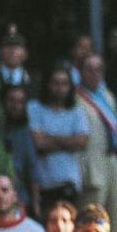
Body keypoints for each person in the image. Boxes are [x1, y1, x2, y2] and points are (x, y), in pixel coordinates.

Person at [74, 53, 117, 232]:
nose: (95, 74)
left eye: (99, 69)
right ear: (80, 72)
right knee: (91, 219)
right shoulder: (76, 99)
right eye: (90, 69)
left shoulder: (107, 96)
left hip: (111, 160)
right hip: (91, 166)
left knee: (116, 216)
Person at [28, 65, 89, 210]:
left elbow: (82, 142)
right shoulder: (34, 108)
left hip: (69, 182)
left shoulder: (77, 111)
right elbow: (38, 143)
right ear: (47, 84)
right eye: (55, 83)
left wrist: (49, 138)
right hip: (43, 183)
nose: (59, 88)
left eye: (64, 83)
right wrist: (69, 141)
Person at [0, 85, 37, 213]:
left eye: (20, 102)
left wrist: (36, 205)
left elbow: (32, 169)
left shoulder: (25, 132)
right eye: (11, 100)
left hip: (19, 199)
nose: (15, 106)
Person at [0, 23, 30, 93]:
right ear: (0, 51)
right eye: (8, 46)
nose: (13, 51)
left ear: (25, 53)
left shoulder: (33, 81)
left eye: (17, 47)